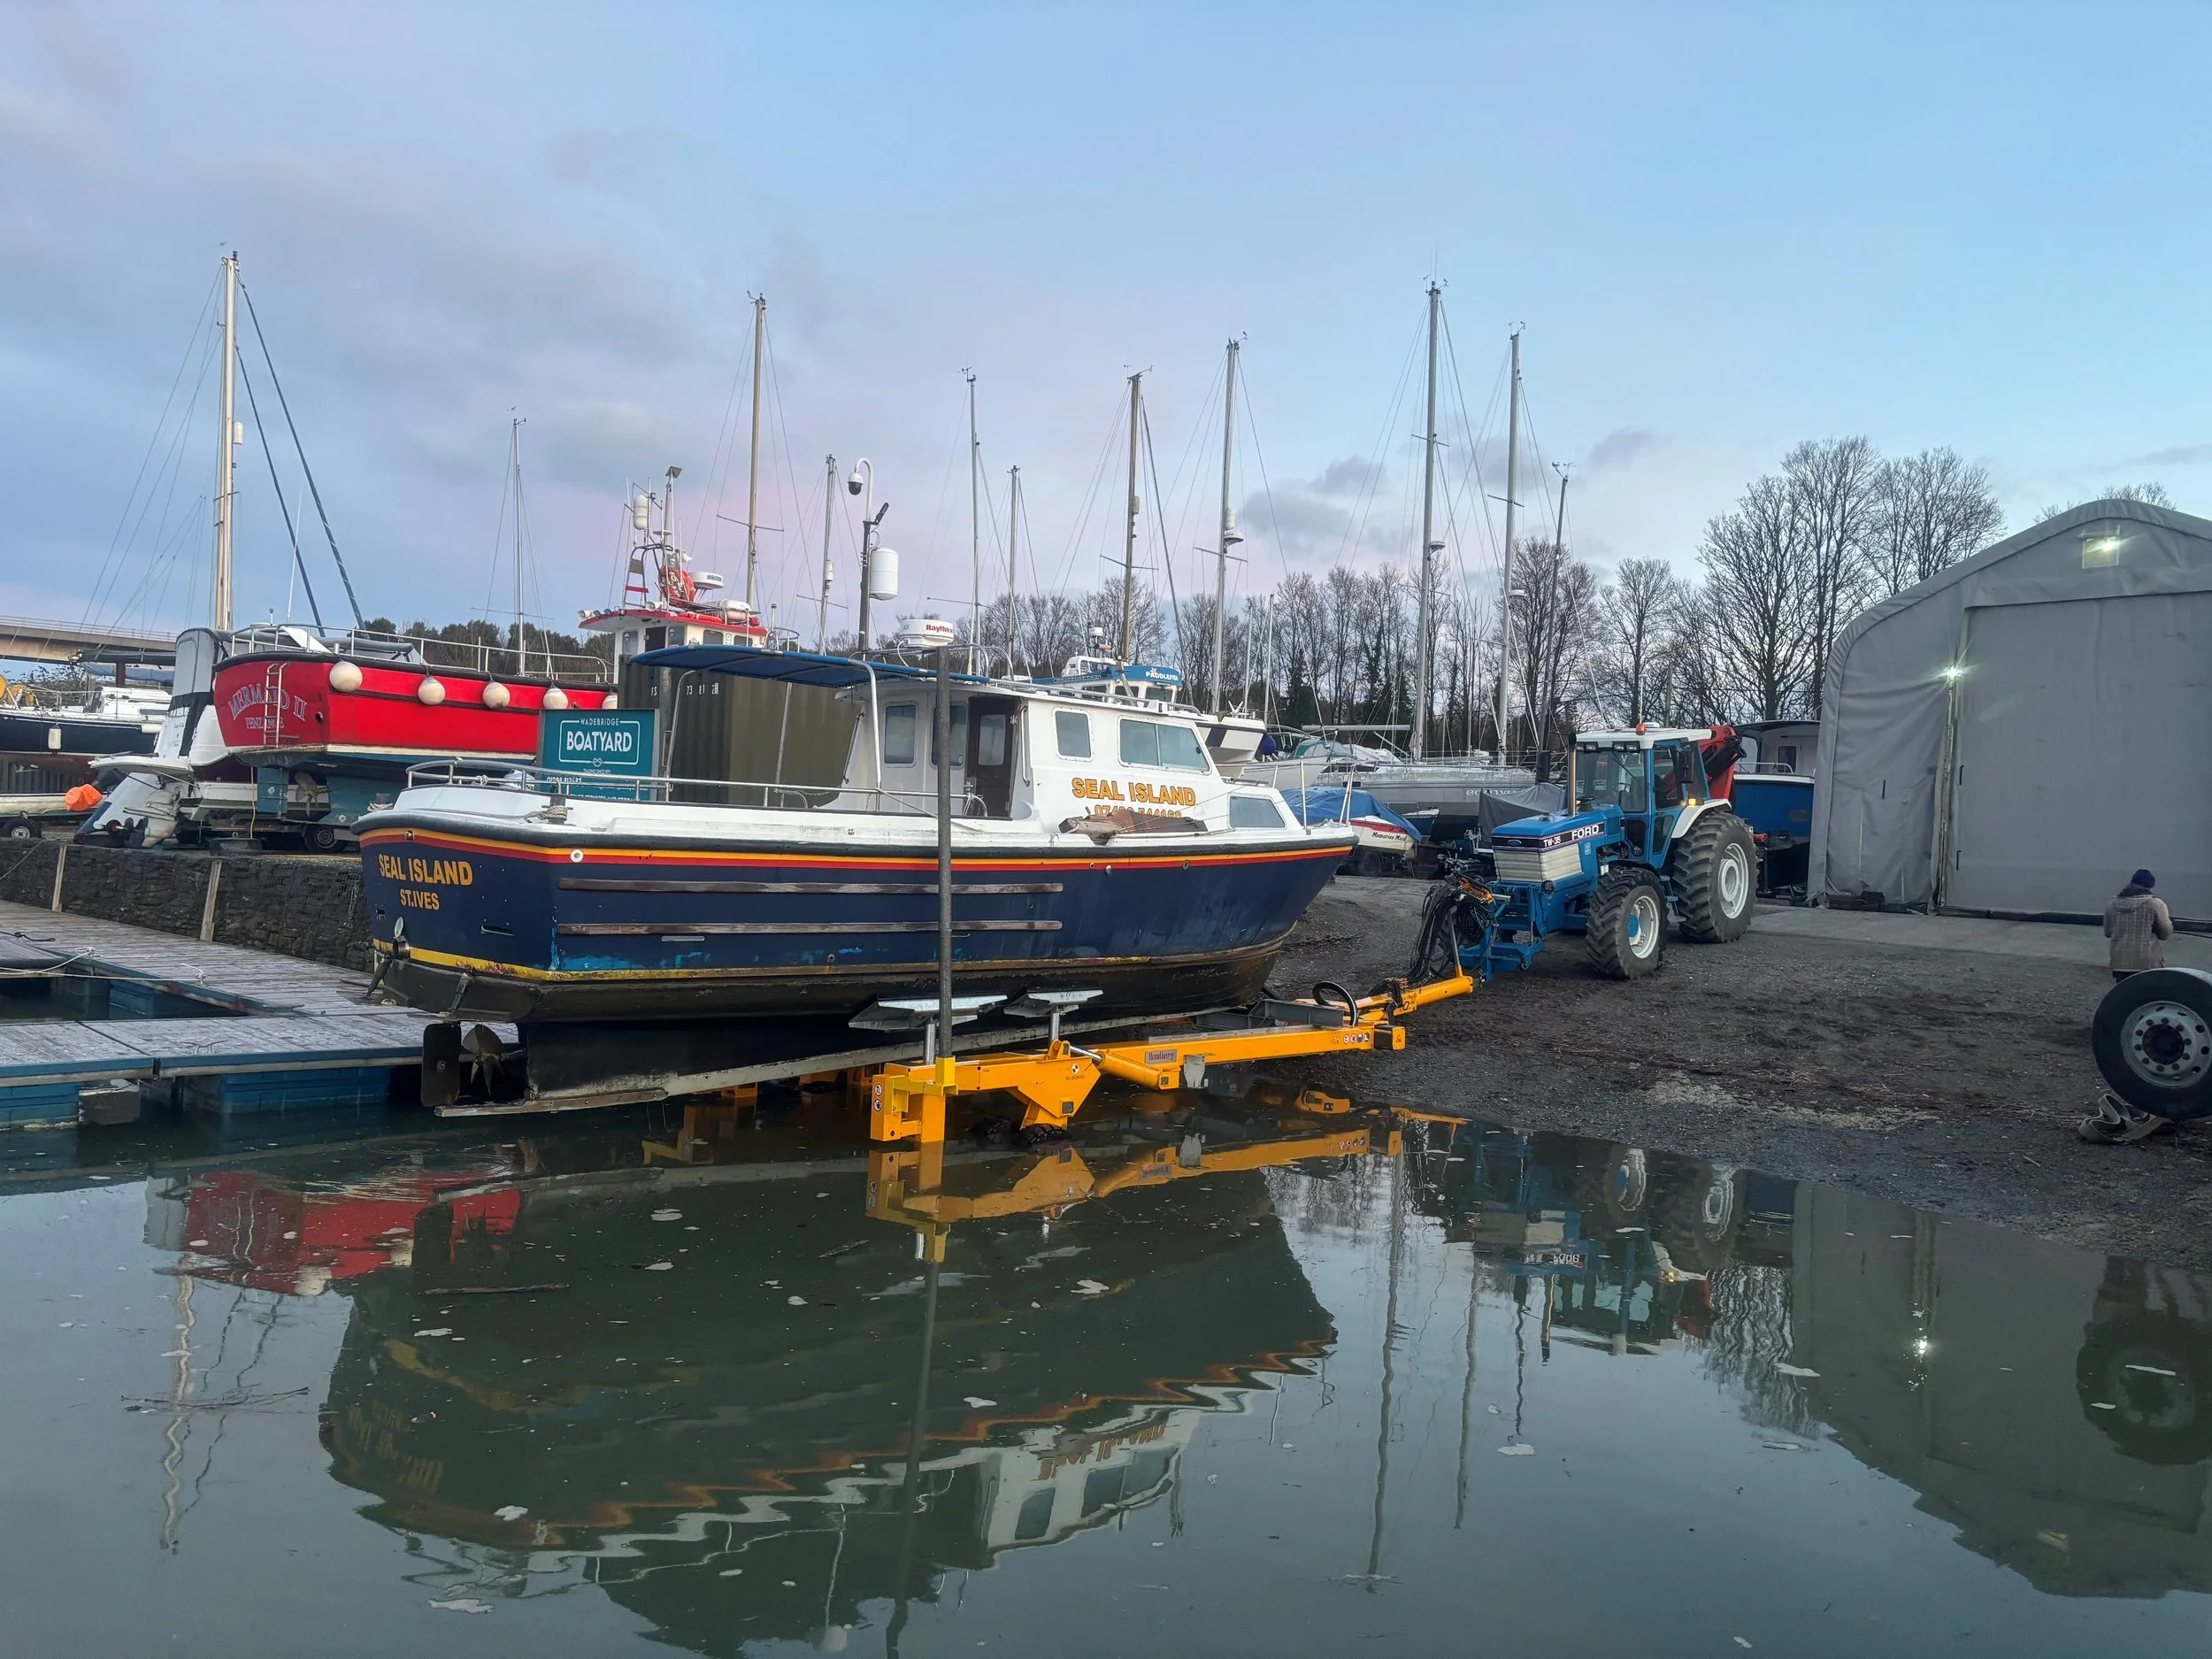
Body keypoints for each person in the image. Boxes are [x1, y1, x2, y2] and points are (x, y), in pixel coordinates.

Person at [2104, 868, 2173, 981]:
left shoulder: (2111, 905)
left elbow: (2107, 932)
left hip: (2120, 962)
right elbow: (2165, 934)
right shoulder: (2155, 904)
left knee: (2125, 996)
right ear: (2149, 886)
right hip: (2147, 963)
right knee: (2146, 996)